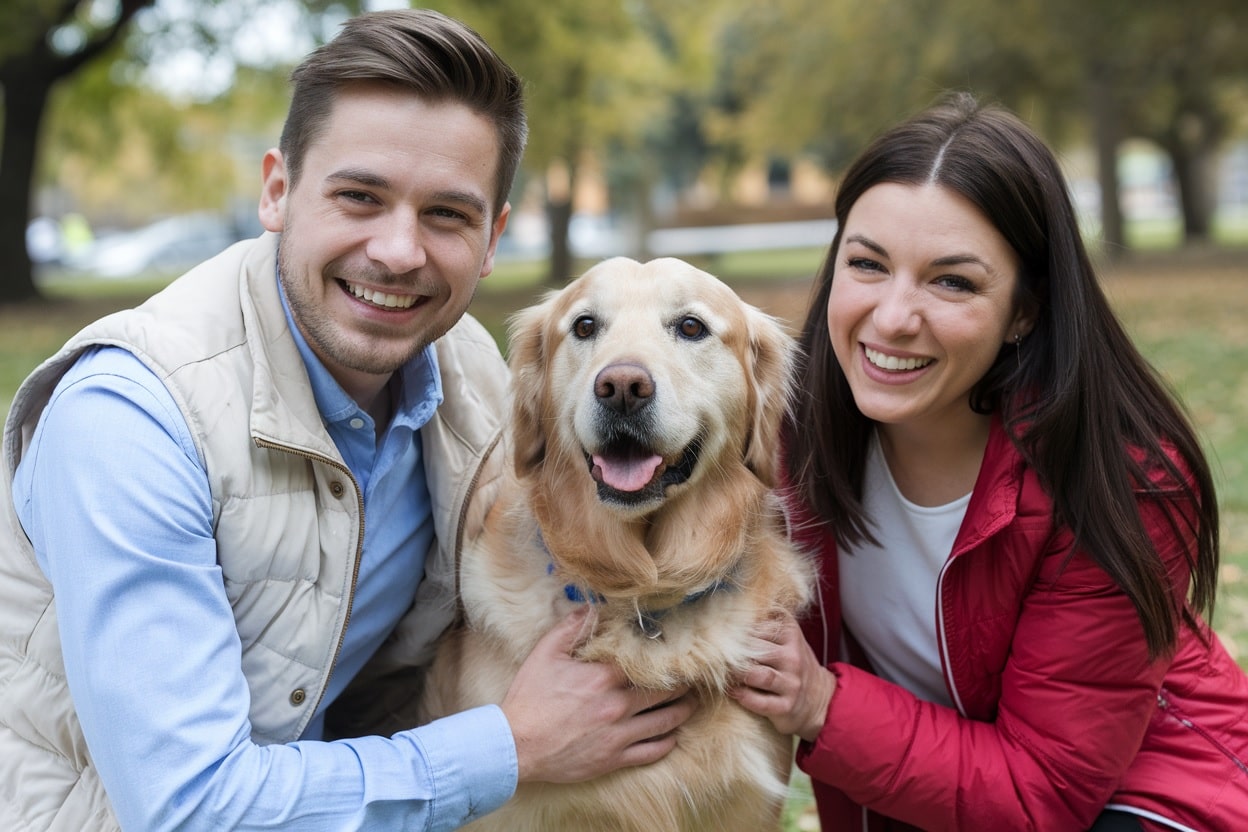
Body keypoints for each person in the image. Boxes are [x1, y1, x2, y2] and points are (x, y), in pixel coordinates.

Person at [0, 10, 692, 831]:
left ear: (493, 236)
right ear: (278, 190)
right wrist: (510, 743)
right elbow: (186, 806)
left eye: (447, 215)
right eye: (359, 197)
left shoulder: (472, 374)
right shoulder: (132, 421)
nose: (399, 252)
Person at [730, 92, 1248, 831]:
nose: (893, 317)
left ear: (1026, 311)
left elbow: (1044, 792)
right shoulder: (779, 434)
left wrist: (820, 704)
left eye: (953, 282)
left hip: (1148, 798)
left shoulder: (1119, 477)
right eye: (868, 265)